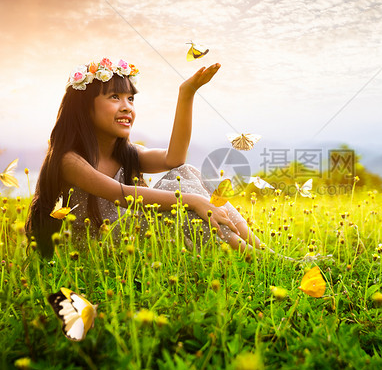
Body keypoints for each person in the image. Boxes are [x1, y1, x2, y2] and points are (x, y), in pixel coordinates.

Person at [26, 57, 263, 257]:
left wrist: (187, 94)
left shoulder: (127, 153)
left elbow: (175, 159)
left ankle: (261, 249)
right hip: (99, 247)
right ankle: (254, 257)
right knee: (185, 206)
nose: (127, 106)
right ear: (85, 109)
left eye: (130, 98)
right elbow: (121, 195)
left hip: (133, 234)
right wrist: (192, 200)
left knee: (186, 173)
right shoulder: (70, 160)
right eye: (114, 97)